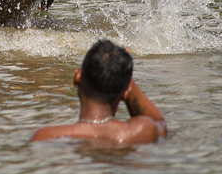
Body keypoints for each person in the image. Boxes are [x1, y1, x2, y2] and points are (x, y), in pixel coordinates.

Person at [30, 39, 167, 144]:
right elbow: (159, 122)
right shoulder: (141, 131)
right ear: (126, 90)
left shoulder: (46, 136)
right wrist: (121, 74)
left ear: (77, 76)